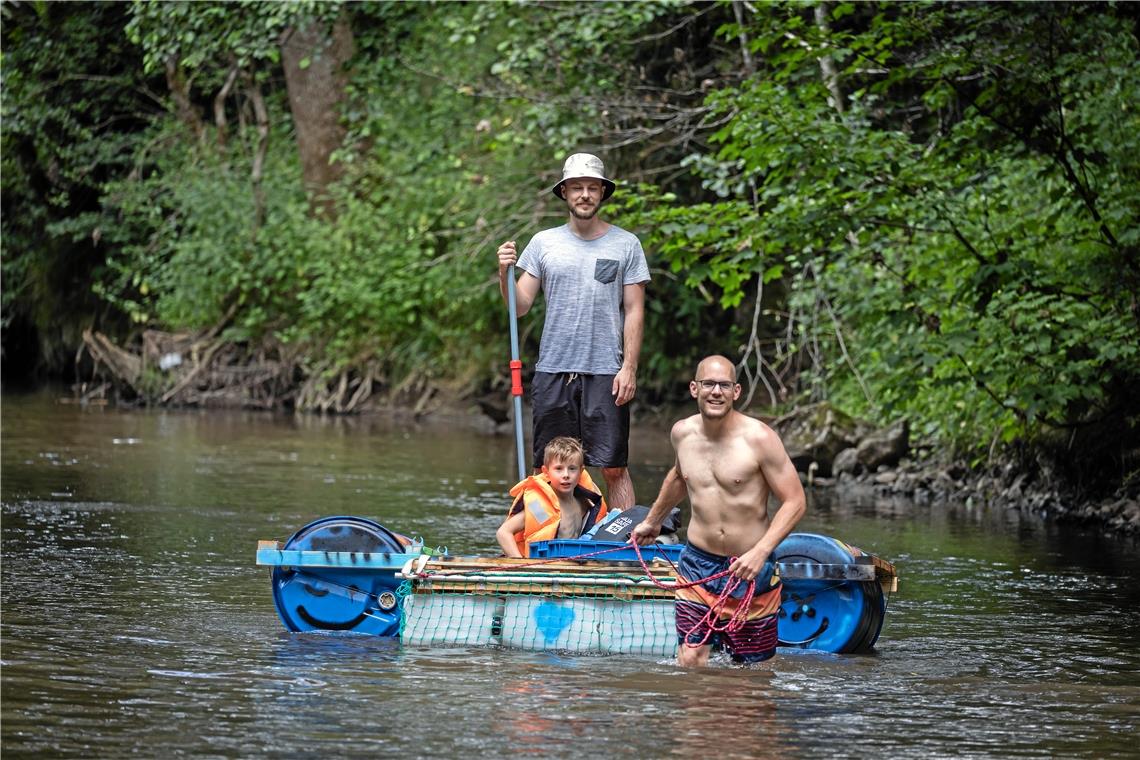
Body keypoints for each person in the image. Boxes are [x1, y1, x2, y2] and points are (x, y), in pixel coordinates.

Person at [496, 153, 650, 511]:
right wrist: (502, 275)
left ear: (602, 193)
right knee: (545, 466)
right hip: (554, 369)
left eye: (592, 188)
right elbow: (518, 307)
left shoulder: (625, 244)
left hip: (606, 371)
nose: (585, 194)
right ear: (564, 192)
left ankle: (626, 546)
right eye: (577, 188)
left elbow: (635, 309)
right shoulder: (543, 243)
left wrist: (629, 367)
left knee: (614, 465)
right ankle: (540, 541)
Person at [631, 355, 806, 666]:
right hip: (697, 562)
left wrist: (761, 552)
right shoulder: (682, 433)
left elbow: (795, 501)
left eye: (724, 385)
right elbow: (678, 476)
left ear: (736, 391)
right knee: (691, 657)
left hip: (750, 565)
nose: (716, 391)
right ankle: (702, 714)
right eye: (708, 384)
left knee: (755, 669)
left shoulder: (760, 438)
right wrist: (653, 521)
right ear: (694, 388)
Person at [497, 436, 609, 558]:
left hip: (571, 565)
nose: (566, 475)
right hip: (542, 567)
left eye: (572, 469)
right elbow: (503, 533)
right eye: (559, 469)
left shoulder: (585, 503)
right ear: (546, 472)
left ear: (581, 471)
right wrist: (521, 563)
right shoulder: (539, 508)